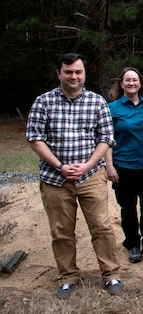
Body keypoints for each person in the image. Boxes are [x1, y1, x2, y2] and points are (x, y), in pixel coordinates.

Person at [26, 53, 124, 298]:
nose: (73, 76)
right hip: (55, 179)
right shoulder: (43, 102)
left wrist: (89, 164)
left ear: (84, 74)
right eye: (68, 72)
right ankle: (68, 277)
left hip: (90, 176)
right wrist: (60, 166)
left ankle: (111, 274)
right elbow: (35, 138)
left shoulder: (97, 102)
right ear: (59, 74)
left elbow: (106, 138)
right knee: (61, 231)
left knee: (101, 227)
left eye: (78, 72)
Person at [105, 67, 143, 263]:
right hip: (124, 166)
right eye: (127, 80)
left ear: (140, 84)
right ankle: (132, 244)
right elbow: (107, 140)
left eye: (135, 80)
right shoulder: (112, 109)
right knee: (128, 208)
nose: (131, 83)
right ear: (121, 84)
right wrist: (109, 166)